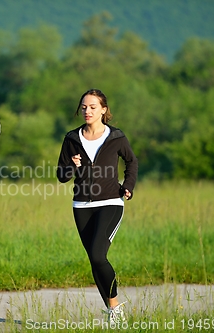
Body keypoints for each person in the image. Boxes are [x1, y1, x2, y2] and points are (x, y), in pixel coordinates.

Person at [56, 89, 138, 325]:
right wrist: (72, 165)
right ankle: (113, 312)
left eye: (92, 107)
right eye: (84, 107)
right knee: (95, 260)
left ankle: (115, 308)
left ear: (103, 109)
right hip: (81, 204)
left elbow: (131, 161)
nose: (87, 111)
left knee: (97, 254)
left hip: (111, 201)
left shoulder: (116, 137)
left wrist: (128, 185)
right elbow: (62, 175)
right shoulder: (72, 139)